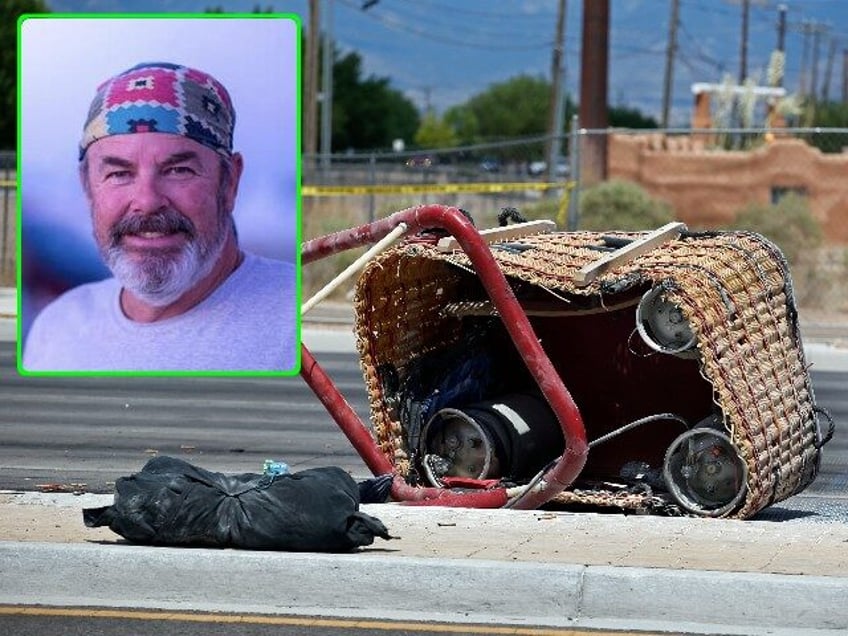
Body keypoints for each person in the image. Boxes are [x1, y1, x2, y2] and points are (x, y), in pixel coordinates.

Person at [22, 62, 297, 372]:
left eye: (178, 170)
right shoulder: (56, 330)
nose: (148, 201)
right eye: (119, 173)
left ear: (230, 181)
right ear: (87, 186)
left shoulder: (298, 316)